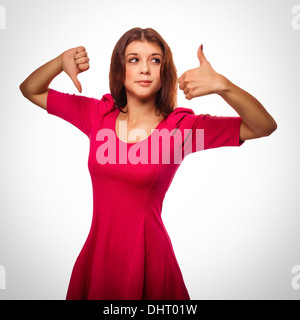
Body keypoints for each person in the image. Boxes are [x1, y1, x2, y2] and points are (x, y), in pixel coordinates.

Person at [19, 27, 277, 300]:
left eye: (155, 60)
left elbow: (263, 126)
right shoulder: (97, 115)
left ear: (164, 72)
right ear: (120, 70)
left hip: (149, 260)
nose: (145, 69)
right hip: (99, 257)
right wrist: (60, 62)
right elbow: (30, 89)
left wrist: (224, 86)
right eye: (134, 59)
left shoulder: (182, 130)